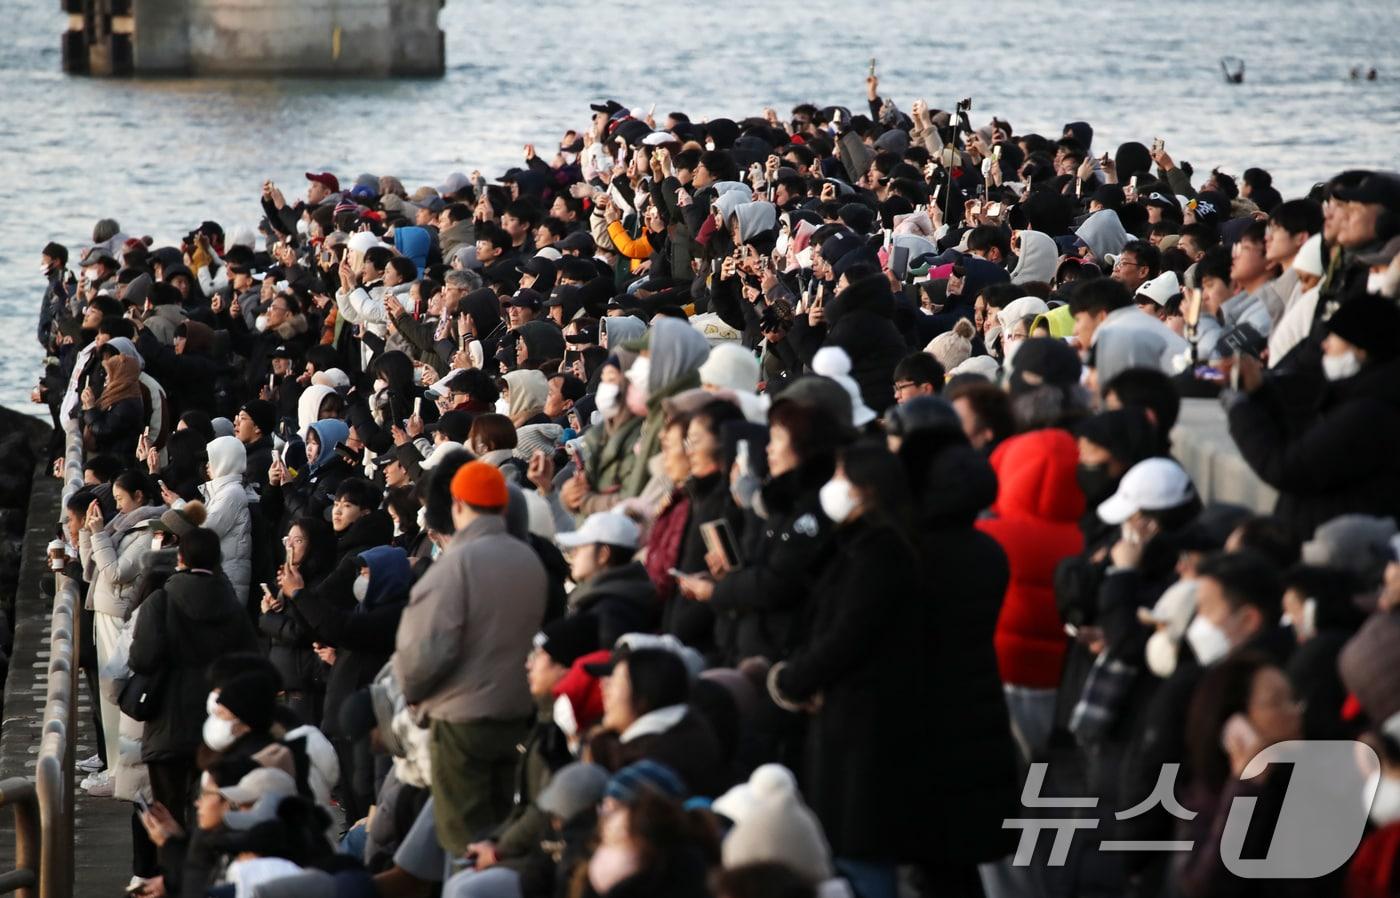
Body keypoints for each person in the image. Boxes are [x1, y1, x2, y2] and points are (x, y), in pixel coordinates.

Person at [769, 443, 924, 898]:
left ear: (867, 489)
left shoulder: (882, 553)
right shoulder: (856, 544)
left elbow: (848, 635)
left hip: (864, 721)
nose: (831, 488)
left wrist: (793, 680)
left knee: (861, 850)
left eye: (841, 477)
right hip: (846, 713)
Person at [394, 460, 547, 857]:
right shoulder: (529, 558)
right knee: (502, 837)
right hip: (516, 713)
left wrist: (411, 692)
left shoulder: (456, 564)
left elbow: (424, 652)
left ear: (458, 505)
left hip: (461, 721)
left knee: (465, 843)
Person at [1227, 293, 1400, 541]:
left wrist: (1242, 410)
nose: (1324, 345)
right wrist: (1260, 394)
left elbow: (1288, 467)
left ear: (1361, 349)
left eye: (1334, 337)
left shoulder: (1370, 413)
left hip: (1332, 550)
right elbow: (1302, 429)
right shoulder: (1359, 394)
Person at [128, 527, 258, 833]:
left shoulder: (161, 600)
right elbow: (251, 662)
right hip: (219, 725)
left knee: (168, 815)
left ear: (180, 558)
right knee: (213, 812)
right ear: (217, 560)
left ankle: (173, 876)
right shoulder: (233, 605)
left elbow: (141, 659)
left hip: (168, 723)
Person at [556, 512, 658, 648]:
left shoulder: (612, 611)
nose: (573, 554)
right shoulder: (608, 598)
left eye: (580, 547)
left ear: (603, 554)